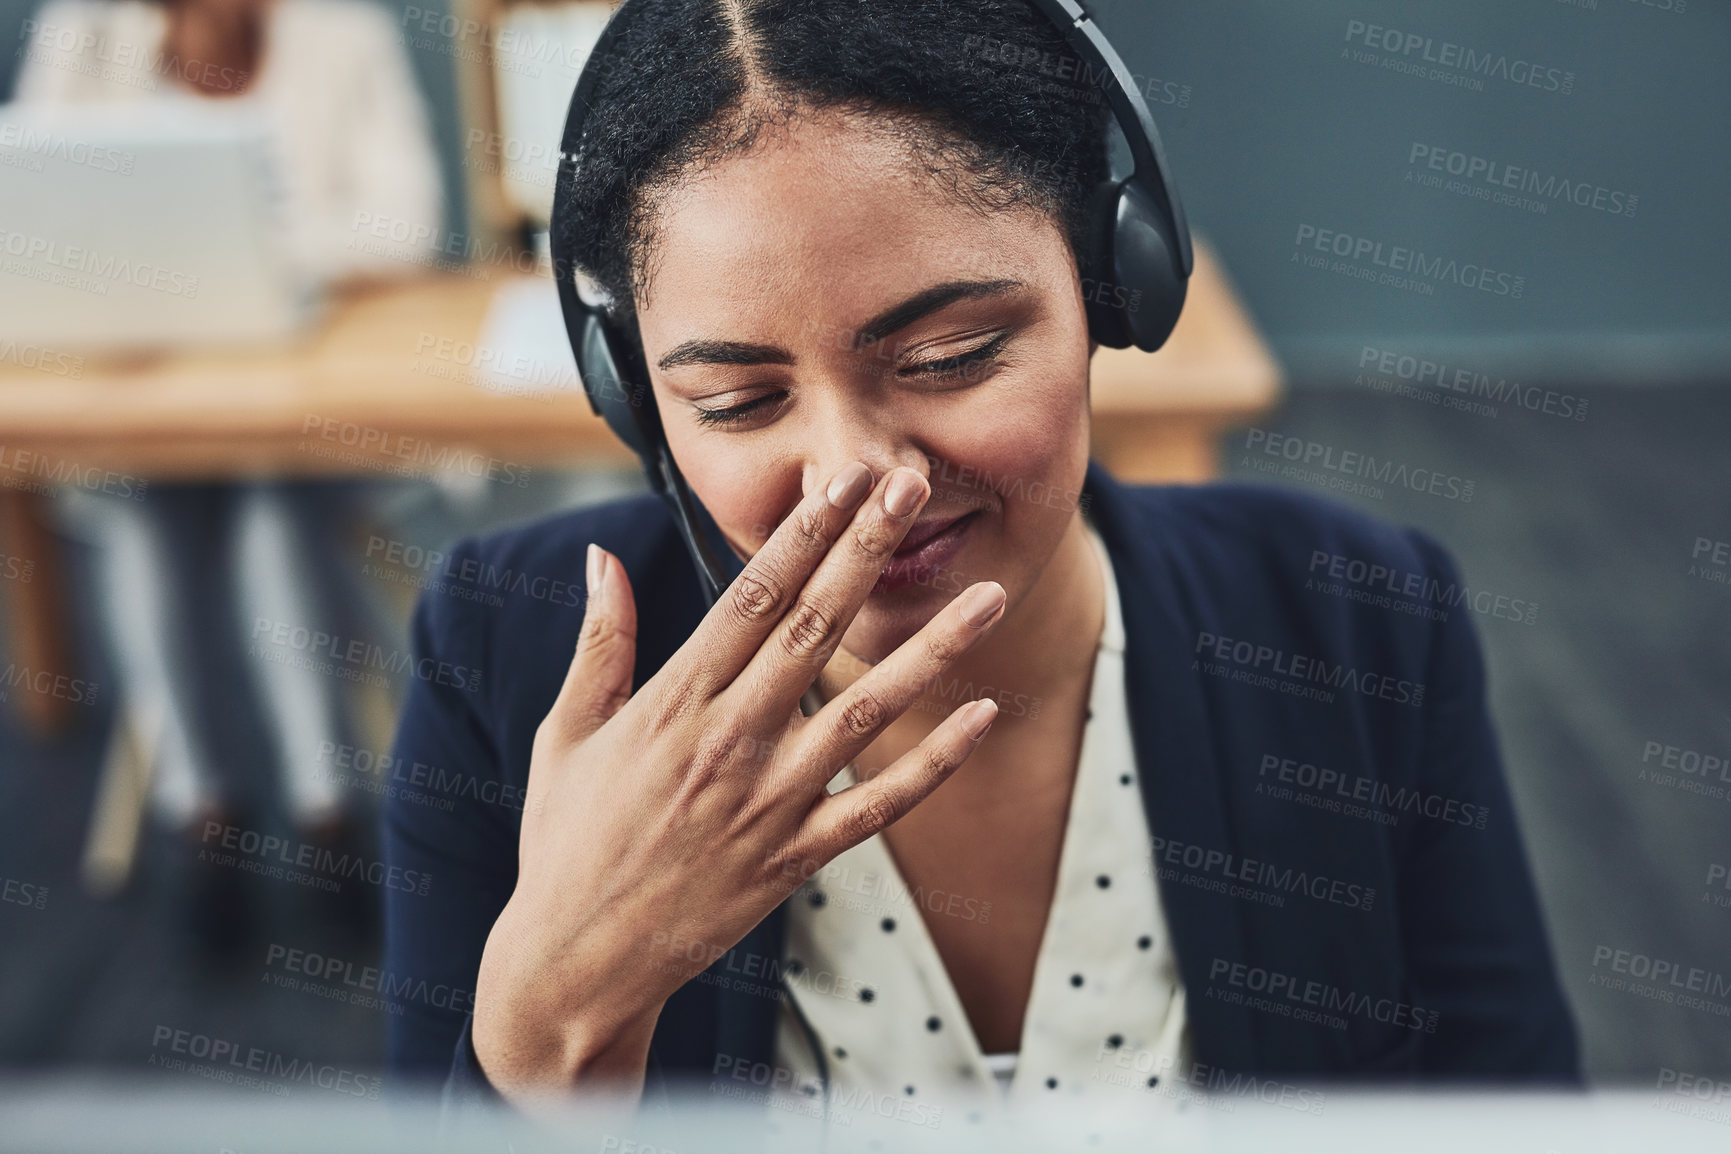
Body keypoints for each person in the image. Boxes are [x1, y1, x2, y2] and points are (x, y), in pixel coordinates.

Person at [383, 0, 1580, 1115]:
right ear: (634, 401)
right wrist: (546, 1039)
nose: (859, 482)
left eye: (951, 354)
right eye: (741, 400)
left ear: (1115, 284)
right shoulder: (506, 653)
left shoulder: (1361, 619)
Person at [15, 0, 444, 953]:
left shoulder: (342, 32)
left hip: (311, 411)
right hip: (150, 402)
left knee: (271, 515)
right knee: (146, 521)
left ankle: (323, 803)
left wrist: (230, 255)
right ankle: (200, 809)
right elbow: (37, 211)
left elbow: (405, 221)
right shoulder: (83, 34)